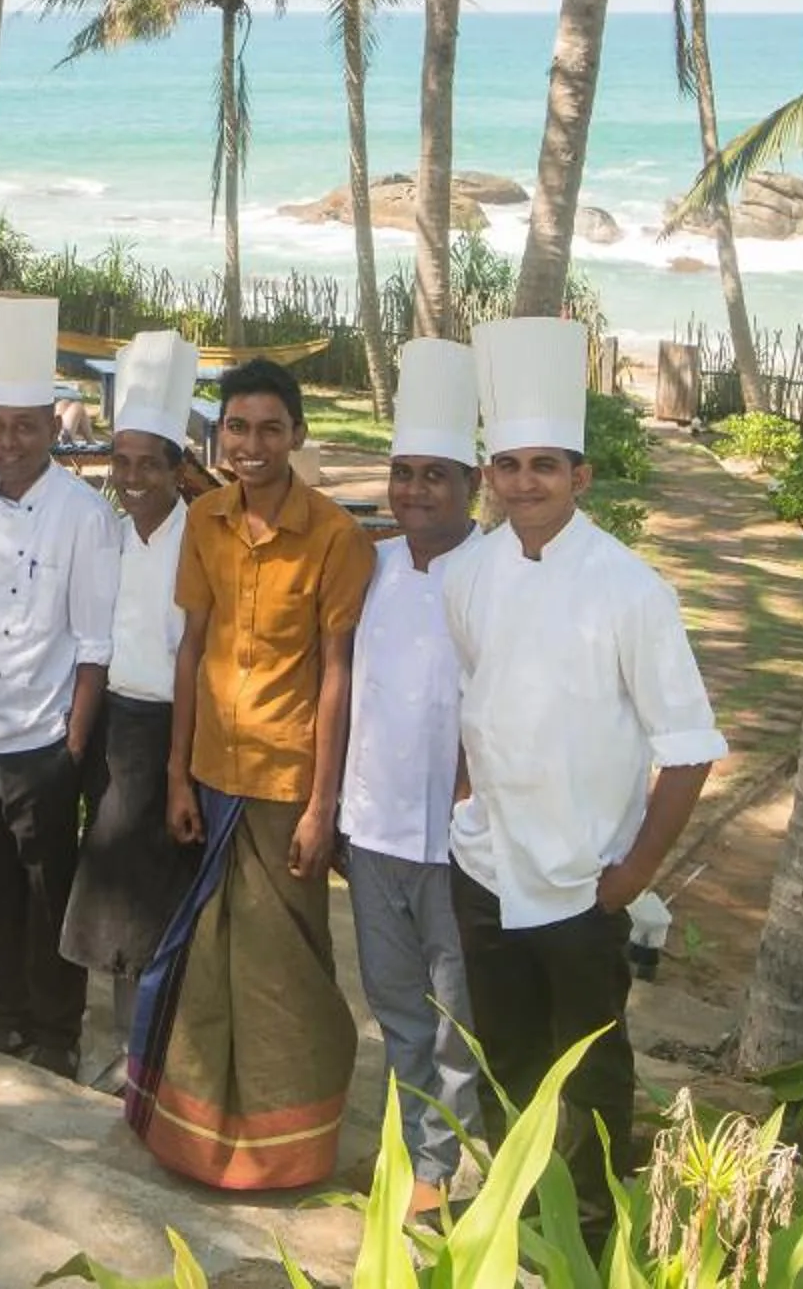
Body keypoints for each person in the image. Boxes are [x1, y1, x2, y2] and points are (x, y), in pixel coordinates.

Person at [446, 317, 726, 1223]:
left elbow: (687, 749)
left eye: (545, 466)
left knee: (595, 1066)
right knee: (506, 1057)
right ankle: (512, 1212)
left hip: (582, 884)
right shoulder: (471, 574)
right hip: (486, 869)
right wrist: (465, 813)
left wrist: (633, 877)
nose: (524, 483)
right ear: (490, 475)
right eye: (509, 466)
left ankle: (598, 1225)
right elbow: (473, 701)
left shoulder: (632, 590)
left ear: (580, 477)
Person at [127, 356, 373, 1191]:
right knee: (208, 962)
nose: (253, 443)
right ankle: (196, 1136)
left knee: (281, 974)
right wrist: (175, 775)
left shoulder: (337, 537)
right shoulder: (205, 522)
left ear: (297, 434)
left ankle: (285, 1149)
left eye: (271, 427)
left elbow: (336, 673)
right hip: (209, 772)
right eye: (238, 427)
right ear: (218, 436)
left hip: (283, 790)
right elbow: (193, 649)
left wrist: (321, 806)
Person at [0, 293, 117, 1081]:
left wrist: (71, 747)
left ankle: (57, 1030)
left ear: (53, 427)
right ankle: (7, 1015)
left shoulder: (84, 514)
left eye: (26, 426)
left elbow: (93, 645)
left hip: (40, 740)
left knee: (50, 895)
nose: (8, 442)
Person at [341, 338, 486, 1215]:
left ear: (470, 485)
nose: (415, 492)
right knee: (395, 1004)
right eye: (403, 473)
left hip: (460, 842)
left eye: (436, 475)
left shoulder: (498, 572)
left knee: (457, 1019)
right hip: (374, 829)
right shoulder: (373, 568)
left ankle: (438, 1166)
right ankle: (421, 1157)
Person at [59, 329, 205, 1092]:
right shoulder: (109, 534)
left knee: (151, 903)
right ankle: (130, 1046)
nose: (135, 477)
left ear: (181, 469)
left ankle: (149, 1054)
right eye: (122, 462)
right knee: (111, 894)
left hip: (171, 737)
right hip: (113, 726)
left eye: (152, 463)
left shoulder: (200, 543)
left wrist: (180, 769)